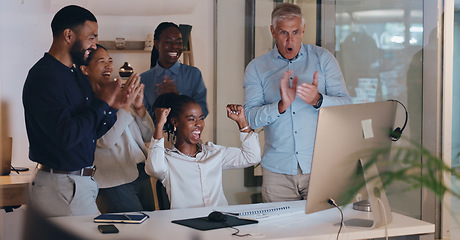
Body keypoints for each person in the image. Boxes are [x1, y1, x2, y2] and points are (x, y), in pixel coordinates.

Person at [22, 5, 135, 217]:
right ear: (68, 35)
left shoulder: (76, 77)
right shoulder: (45, 77)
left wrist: (112, 108)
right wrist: (101, 104)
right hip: (62, 185)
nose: (93, 45)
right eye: (91, 38)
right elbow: (66, 135)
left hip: (78, 184)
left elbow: (89, 133)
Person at [243, 3, 351, 203]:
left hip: (321, 168)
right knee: (281, 234)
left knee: (323, 232)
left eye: (295, 32)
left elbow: (347, 107)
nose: (289, 40)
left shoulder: (323, 59)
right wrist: (280, 106)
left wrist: (318, 100)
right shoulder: (256, 68)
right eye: (283, 32)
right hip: (277, 174)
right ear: (273, 32)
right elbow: (251, 119)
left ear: (303, 31)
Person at [145, 93, 261, 209]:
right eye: (191, 119)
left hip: (221, 222)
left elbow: (252, 157)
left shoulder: (214, 152)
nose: (198, 124)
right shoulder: (167, 159)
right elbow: (154, 168)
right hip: (185, 224)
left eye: (201, 118)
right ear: (175, 122)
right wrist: (160, 125)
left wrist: (242, 122)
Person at [79, 44, 155, 213]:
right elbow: (105, 141)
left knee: (150, 230)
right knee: (130, 232)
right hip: (113, 181)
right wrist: (126, 106)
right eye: (101, 61)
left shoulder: (120, 94)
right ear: (85, 69)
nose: (109, 66)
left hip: (141, 173)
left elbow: (148, 135)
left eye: (110, 60)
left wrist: (140, 106)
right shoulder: (84, 103)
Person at [141, 22, 208, 120]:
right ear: (156, 44)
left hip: (187, 135)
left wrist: (177, 96)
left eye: (179, 42)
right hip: (154, 134)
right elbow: (143, 118)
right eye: (169, 42)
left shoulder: (193, 74)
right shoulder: (144, 79)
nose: (175, 47)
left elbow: (203, 112)